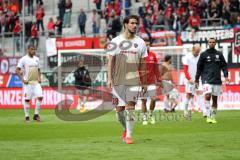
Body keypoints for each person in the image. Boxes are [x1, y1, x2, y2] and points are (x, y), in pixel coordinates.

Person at [107, 15, 147, 144]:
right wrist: (109, 78)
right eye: (132, 23)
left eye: (136, 23)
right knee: (119, 112)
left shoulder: (141, 42)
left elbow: (143, 63)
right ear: (125, 24)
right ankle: (125, 128)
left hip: (134, 80)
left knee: (130, 107)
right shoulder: (115, 41)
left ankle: (129, 135)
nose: (135, 25)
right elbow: (110, 61)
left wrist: (144, 81)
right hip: (118, 79)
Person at [195, 38, 229, 124]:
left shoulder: (219, 54)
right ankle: (208, 116)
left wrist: (226, 76)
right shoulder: (203, 54)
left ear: (215, 43)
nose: (211, 43)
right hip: (206, 79)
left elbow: (224, 66)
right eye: (210, 42)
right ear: (208, 43)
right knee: (207, 95)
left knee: (215, 100)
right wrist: (196, 80)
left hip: (217, 80)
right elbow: (199, 68)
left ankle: (213, 117)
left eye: (213, 42)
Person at [16, 44, 43, 122]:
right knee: (27, 100)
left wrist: (39, 77)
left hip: (36, 82)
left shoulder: (37, 59)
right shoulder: (23, 59)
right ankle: (27, 116)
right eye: (32, 49)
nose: (33, 51)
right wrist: (22, 80)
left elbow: (38, 70)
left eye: (34, 49)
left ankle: (36, 115)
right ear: (28, 50)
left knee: (40, 96)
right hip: (28, 82)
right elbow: (17, 70)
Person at [140, 39, 161, 125]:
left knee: (154, 99)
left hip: (152, 82)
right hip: (142, 82)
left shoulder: (153, 55)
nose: (147, 46)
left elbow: (156, 68)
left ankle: (151, 114)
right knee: (143, 101)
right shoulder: (139, 56)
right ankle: (145, 118)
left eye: (148, 45)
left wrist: (159, 79)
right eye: (146, 45)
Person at [182, 44, 205, 117]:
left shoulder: (200, 57)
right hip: (190, 80)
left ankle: (204, 112)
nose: (197, 53)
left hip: (198, 79)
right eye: (196, 52)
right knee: (189, 95)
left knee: (200, 94)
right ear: (192, 50)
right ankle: (185, 111)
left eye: (198, 52)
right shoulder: (187, 57)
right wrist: (189, 79)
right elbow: (185, 70)